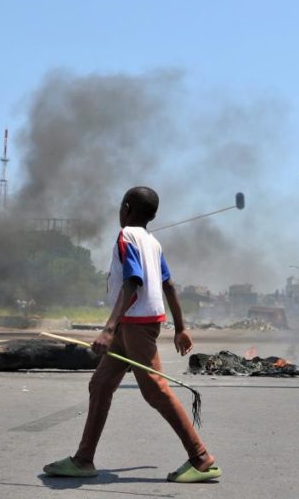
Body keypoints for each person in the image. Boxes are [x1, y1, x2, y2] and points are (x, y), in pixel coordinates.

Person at [43, 186, 221, 483]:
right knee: (100, 385)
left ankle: (201, 458)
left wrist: (108, 329)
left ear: (126, 208)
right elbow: (169, 286)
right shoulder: (153, 242)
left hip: (135, 326)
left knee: (156, 391)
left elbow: (133, 282)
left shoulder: (127, 237)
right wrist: (180, 328)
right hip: (134, 326)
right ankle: (83, 459)